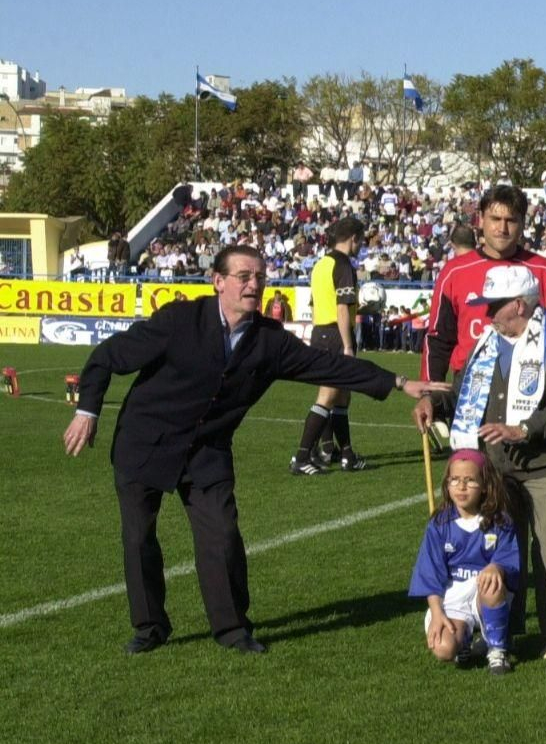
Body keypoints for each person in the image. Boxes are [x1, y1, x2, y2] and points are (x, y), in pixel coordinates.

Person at [63, 245, 446, 655]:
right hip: (144, 443)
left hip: (207, 450)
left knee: (223, 536)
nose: (254, 284)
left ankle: (232, 629)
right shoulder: (180, 320)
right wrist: (88, 410)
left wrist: (399, 383)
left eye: (260, 277)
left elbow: (331, 366)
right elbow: (107, 357)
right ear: (218, 281)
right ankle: (150, 628)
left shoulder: (269, 340)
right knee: (139, 538)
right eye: (244, 276)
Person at [424, 265, 546, 656]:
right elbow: (464, 393)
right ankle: (502, 633)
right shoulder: (488, 343)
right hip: (497, 467)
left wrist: (523, 429)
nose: (486, 314)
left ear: (518, 305)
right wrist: (434, 401)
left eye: (493, 305)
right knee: (500, 552)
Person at [417, 184, 546, 395]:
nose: (502, 228)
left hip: (527, 388)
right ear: (481, 219)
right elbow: (438, 339)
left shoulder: (544, 271)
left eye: (511, 220)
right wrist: (428, 394)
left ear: (523, 223)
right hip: (469, 387)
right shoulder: (455, 271)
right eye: (495, 219)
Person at [408, 449, 520, 675]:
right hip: (454, 597)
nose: (461, 487)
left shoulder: (499, 521)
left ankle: (497, 649)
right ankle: (464, 639)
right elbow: (430, 574)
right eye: (455, 480)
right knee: (443, 649)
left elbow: (510, 559)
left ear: (485, 485)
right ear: (447, 484)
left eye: (470, 481)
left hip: (485, 592)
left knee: (491, 582)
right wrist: (437, 613)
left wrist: (496, 566)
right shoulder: (439, 524)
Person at [291, 216, 368, 474]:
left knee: (342, 396)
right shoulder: (344, 264)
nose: (361, 246)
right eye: (361, 241)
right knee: (329, 396)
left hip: (321, 331)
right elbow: (341, 307)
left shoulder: (321, 264)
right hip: (336, 334)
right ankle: (301, 456)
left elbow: (317, 304)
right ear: (353, 239)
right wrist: (347, 345)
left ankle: (344, 454)